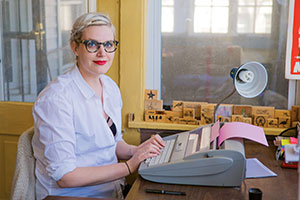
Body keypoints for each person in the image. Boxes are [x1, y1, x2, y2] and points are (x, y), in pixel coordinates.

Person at [32, 12, 165, 200]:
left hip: (111, 190)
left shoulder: (109, 86)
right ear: (75, 47)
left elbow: (113, 143)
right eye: (92, 44)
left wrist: (139, 151)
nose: (102, 53)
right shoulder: (56, 99)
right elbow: (65, 177)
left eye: (108, 44)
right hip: (72, 196)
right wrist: (129, 166)